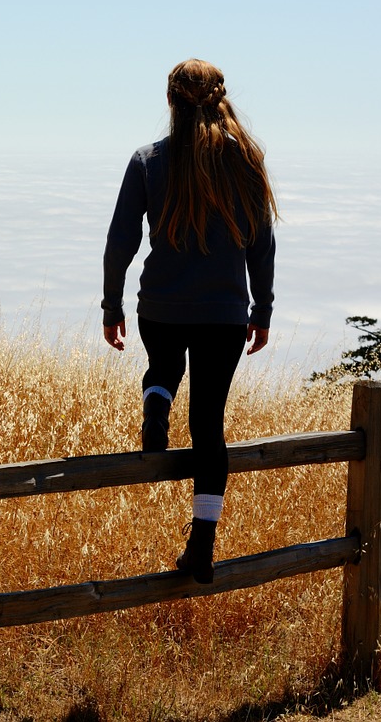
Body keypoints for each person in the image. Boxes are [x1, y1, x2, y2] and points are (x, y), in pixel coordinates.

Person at [101, 58, 277, 584]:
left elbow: (120, 242)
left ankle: (156, 404)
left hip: (159, 306)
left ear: (171, 102)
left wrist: (112, 307)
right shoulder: (245, 159)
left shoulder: (147, 160)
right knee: (209, 426)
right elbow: (262, 245)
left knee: (161, 366)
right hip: (224, 315)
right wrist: (261, 311)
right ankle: (202, 545)